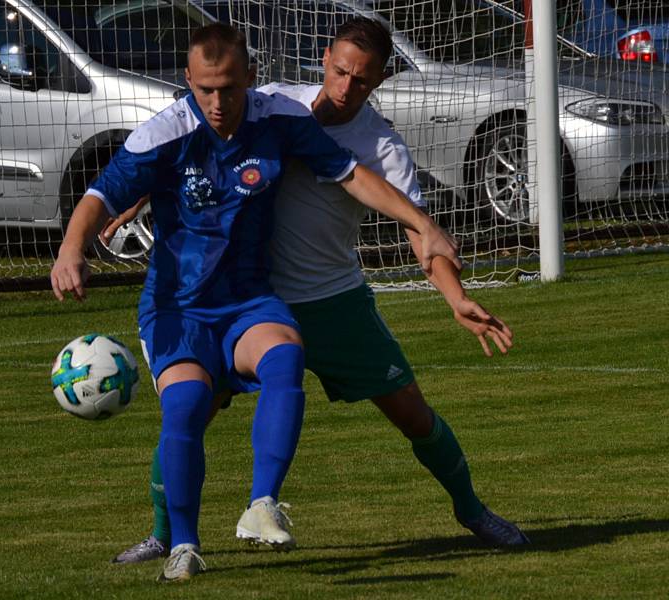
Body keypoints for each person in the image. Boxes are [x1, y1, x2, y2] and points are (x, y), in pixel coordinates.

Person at [107, 17, 529, 568]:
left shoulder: (382, 148)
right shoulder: (274, 103)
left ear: (378, 81)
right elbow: (194, 155)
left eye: (361, 80)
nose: (344, 88)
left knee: (412, 414)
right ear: (324, 59)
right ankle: (167, 536)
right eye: (339, 72)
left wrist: (455, 296)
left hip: (332, 304)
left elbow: (419, 232)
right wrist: (139, 198)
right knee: (188, 415)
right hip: (246, 301)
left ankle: (473, 510)